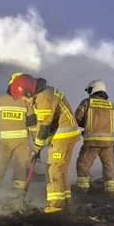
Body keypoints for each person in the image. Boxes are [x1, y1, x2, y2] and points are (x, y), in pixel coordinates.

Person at [31, 78, 81, 213]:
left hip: (63, 136)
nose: (25, 101)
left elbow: (44, 125)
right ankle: (65, 201)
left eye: (24, 98)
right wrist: (38, 144)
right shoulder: (46, 92)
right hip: (67, 134)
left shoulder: (43, 98)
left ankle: (56, 205)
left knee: (54, 169)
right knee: (61, 169)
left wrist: (37, 147)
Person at [0, 73, 39, 192]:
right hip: (22, 143)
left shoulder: (0, 100)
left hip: (4, 142)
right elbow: (32, 125)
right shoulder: (26, 102)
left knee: (0, 167)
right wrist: (37, 143)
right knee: (20, 169)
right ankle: (18, 195)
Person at [75, 79, 114, 196]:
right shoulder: (112, 105)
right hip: (108, 144)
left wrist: (85, 125)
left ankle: (83, 192)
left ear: (94, 89)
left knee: (82, 165)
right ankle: (111, 193)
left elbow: (77, 117)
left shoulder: (87, 103)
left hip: (92, 142)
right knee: (109, 167)